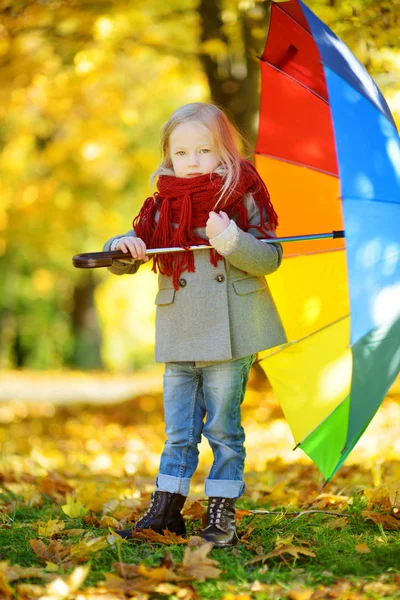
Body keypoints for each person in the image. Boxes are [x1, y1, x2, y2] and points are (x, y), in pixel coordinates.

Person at [103, 102, 286, 547]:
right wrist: (122, 245)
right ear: (168, 155)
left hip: (231, 330)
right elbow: (125, 255)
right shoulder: (162, 204)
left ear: (224, 150)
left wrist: (231, 239)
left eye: (203, 151)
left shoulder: (242, 195)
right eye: (180, 153)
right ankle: (166, 508)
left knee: (224, 427)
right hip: (181, 329)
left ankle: (221, 510)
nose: (191, 162)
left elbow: (270, 258)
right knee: (179, 429)